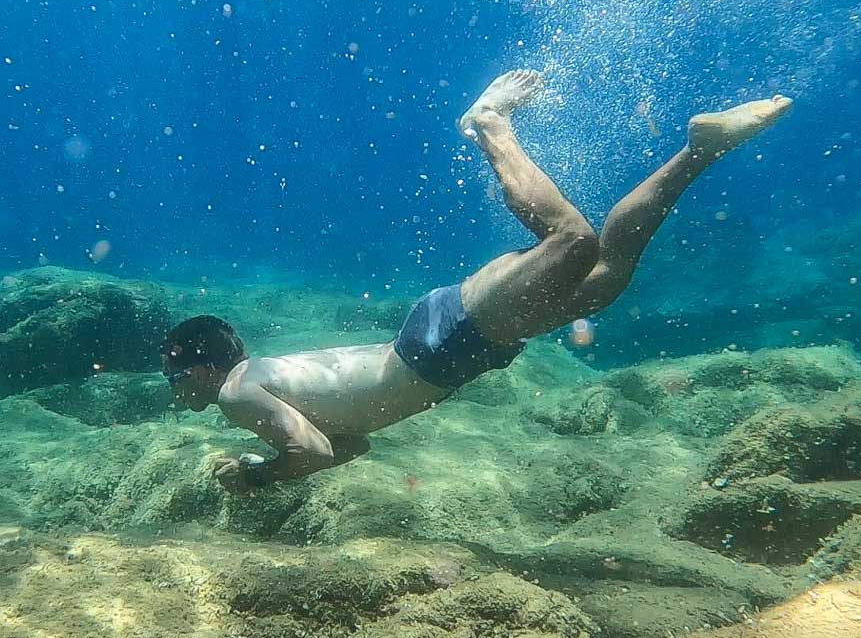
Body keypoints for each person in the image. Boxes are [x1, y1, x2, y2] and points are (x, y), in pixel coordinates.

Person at [161, 70, 792, 493]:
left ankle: (490, 120)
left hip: (439, 344)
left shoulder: (237, 393)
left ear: (197, 369)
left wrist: (256, 477)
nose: (172, 387)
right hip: (445, 346)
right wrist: (263, 463)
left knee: (571, 241)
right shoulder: (258, 380)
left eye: (172, 375)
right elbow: (347, 448)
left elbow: (314, 455)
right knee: (604, 278)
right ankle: (700, 151)